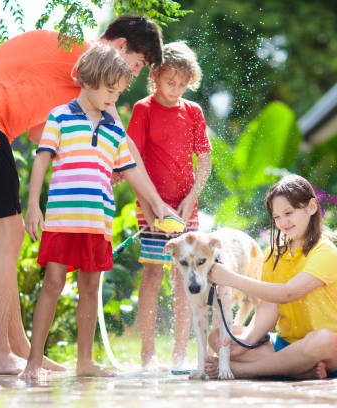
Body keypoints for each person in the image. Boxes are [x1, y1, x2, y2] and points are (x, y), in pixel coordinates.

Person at [0, 15, 164, 375]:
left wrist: (92, 159)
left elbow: (37, 133)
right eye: (136, 65)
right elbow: (121, 143)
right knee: (7, 236)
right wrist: (154, 203)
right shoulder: (87, 57)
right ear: (120, 47)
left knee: (7, 235)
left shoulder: (71, 81)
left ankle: (18, 349)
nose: (127, 80)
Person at [21, 44, 175, 379]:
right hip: (62, 220)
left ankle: (84, 361)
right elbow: (41, 161)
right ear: (88, 81)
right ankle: (34, 361)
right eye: (109, 90)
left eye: (118, 92)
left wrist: (158, 204)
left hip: (97, 223)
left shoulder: (113, 128)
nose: (113, 99)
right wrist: (33, 206)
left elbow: (132, 170)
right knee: (53, 283)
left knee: (90, 289)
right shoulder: (60, 116)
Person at [205, 174, 337, 380]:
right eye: (277, 217)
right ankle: (299, 369)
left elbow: (287, 293)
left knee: (322, 340)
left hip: (329, 349)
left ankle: (243, 371)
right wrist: (246, 341)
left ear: (311, 207)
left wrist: (230, 278)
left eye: (288, 213)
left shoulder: (325, 251)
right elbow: (268, 306)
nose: (283, 222)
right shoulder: (274, 254)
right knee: (219, 337)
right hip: (284, 345)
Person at [126, 41, 212, 369]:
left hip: (186, 210)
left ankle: (179, 353)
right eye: (169, 82)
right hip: (151, 207)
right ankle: (147, 352)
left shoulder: (193, 112)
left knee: (185, 277)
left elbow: (203, 160)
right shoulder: (143, 109)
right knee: (151, 273)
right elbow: (133, 159)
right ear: (155, 76)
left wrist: (191, 200)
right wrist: (150, 209)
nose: (175, 90)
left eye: (182, 84)